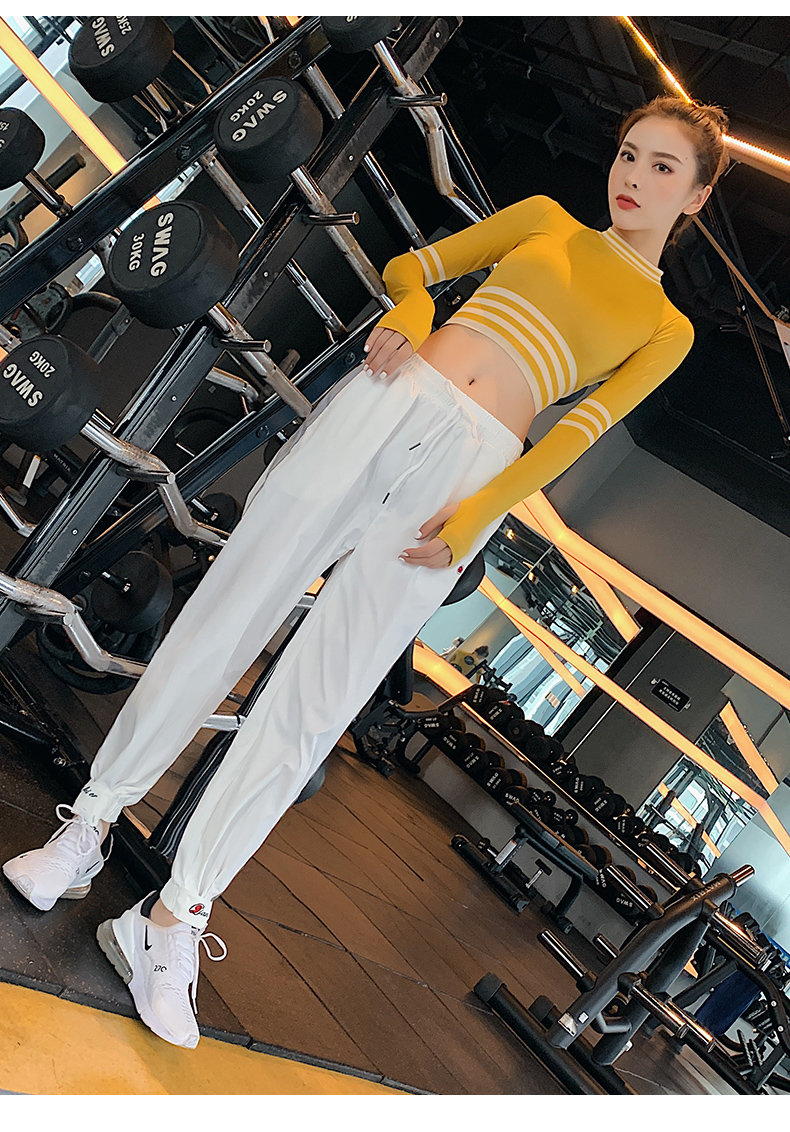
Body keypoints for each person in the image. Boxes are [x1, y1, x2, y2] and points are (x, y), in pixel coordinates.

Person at [2, 95, 728, 1049]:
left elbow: (583, 428)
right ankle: (87, 829)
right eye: (630, 153)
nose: (633, 177)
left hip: (469, 475)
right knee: (228, 610)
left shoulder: (666, 326)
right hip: (390, 399)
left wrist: (484, 509)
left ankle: (173, 917)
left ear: (697, 195)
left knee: (318, 699)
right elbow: (414, 267)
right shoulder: (548, 219)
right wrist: (416, 309)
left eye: (663, 167)